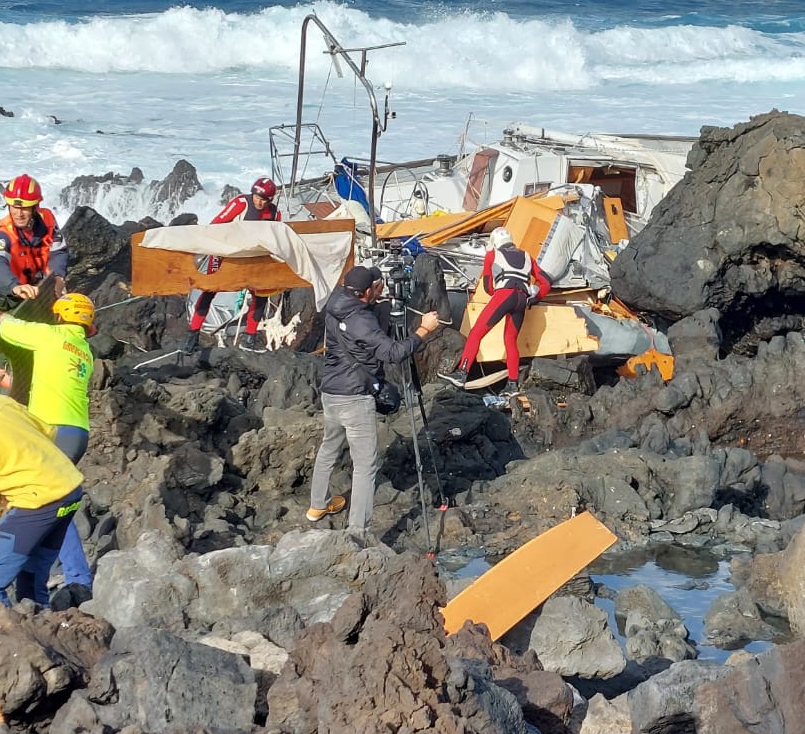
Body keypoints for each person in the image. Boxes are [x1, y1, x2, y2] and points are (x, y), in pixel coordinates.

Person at [307, 264, 441, 533]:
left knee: (328, 449)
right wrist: (424, 330)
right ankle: (357, 532)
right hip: (354, 398)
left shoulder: (336, 303)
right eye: (375, 288)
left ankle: (317, 505)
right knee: (365, 467)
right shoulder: (361, 320)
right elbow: (392, 353)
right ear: (367, 291)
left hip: (331, 392)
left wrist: (377, 303)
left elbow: (360, 324)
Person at [0, 292, 96, 605]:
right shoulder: (83, 350)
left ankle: (78, 578)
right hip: (76, 429)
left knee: (44, 496)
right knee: (53, 497)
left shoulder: (50, 336)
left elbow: (7, 327)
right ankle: (47, 588)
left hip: (53, 427)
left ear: (57, 316)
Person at [0, 395, 85, 609]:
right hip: (69, 488)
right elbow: (50, 433)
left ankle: (10, 639)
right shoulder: (2, 402)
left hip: (39, 498)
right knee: (32, 578)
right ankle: (40, 628)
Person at [440, 226, 550, 391]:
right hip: (521, 299)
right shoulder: (528, 256)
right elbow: (546, 282)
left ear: (494, 242)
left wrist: (498, 294)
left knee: (476, 333)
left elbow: (487, 286)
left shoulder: (492, 255)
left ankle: (461, 374)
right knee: (510, 341)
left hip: (504, 295)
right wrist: (535, 298)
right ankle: (512, 385)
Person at [188, 176, 281, 350]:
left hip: (251, 259)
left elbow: (277, 238)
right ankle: (192, 335)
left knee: (260, 296)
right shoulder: (241, 203)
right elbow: (216, 224)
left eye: (263, 200)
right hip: (224, 255)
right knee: (209, 290)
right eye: (256, 197)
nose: (259, 202)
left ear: (270, 200)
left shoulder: (274, 213)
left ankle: (249, 338)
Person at [0, 174, 67, 302]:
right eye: (15, 207)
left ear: (35, 207)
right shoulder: (2, 233)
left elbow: (58, 251)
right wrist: (15, 286)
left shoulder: (48, 219)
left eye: (24, 208)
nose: (19, 214)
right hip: (10, 294)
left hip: (41, 287)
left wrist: (58, 275)